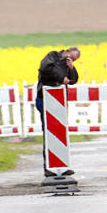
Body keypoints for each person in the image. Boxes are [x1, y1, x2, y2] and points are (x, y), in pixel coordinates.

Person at [35, 46, 80, 177]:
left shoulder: (68, 65)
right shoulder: (52, 56)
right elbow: (45, 69)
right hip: (45, 99)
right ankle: (49, 166)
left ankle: (62, 165)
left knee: (61, 133)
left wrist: (71, 68)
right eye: (71, 57)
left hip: (59, 103)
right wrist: (62, 78)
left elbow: (73, 80)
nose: (71, 60)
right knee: (49, 134)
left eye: (74, 60)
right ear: (66, 51)